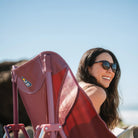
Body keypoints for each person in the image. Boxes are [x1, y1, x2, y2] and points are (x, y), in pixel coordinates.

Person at [76, 47, 121, 130]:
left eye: (114, 67)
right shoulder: (96, 92)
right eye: (105, 65)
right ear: (88, 67)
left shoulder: (77, 88)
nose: (111, 71)